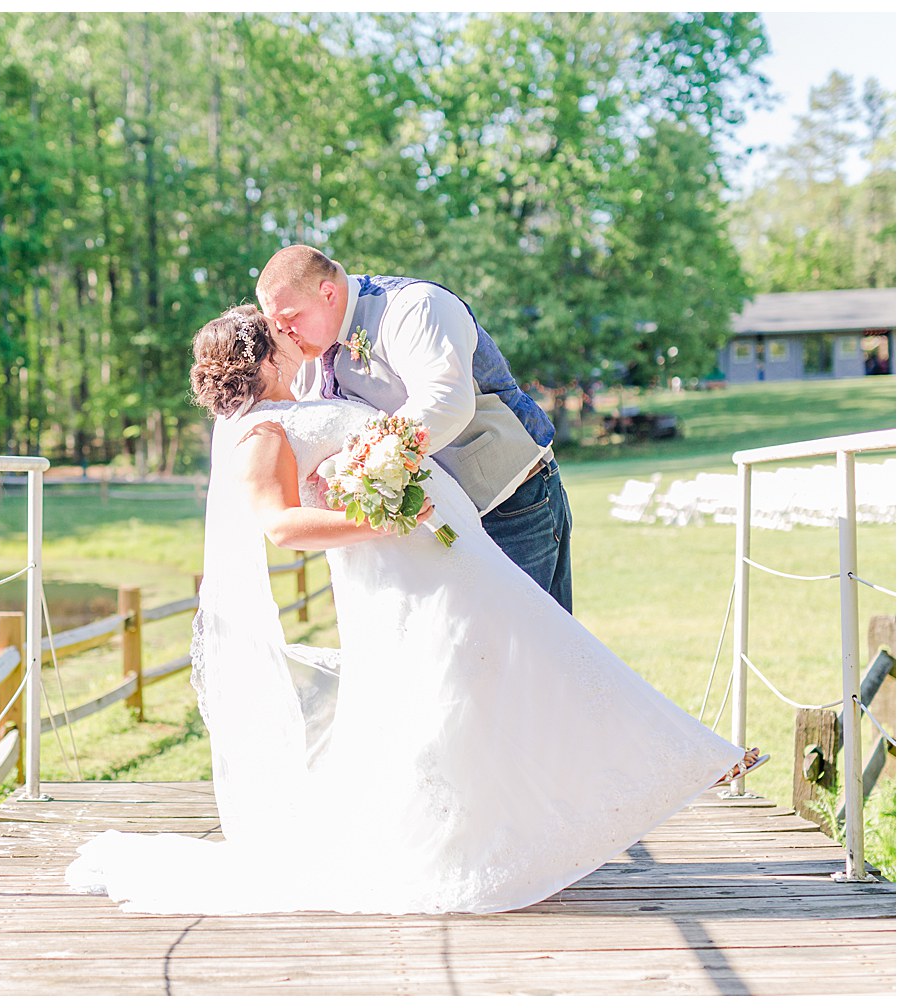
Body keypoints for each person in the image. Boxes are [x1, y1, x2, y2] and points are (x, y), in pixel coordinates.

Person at [64, 305, 763, 916]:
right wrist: (385, 523)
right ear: (260, 355)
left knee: (529, 649)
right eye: (276, 333)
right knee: (495, 669)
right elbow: (280, 525)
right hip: (407, 567)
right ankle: (678, 763)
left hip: (444, 556)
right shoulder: (257, 434)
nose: (290, 335)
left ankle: (646, 774)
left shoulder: (298, 397)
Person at [256, 245, 573, 613]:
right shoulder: (310, 346)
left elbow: (445, 402)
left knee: (530, 651)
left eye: (290, 317)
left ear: (327, 293)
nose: (284, 332)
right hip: (427, 528)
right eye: (277, 325)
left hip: (509, 506)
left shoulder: (414, 306)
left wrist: (353, 465)